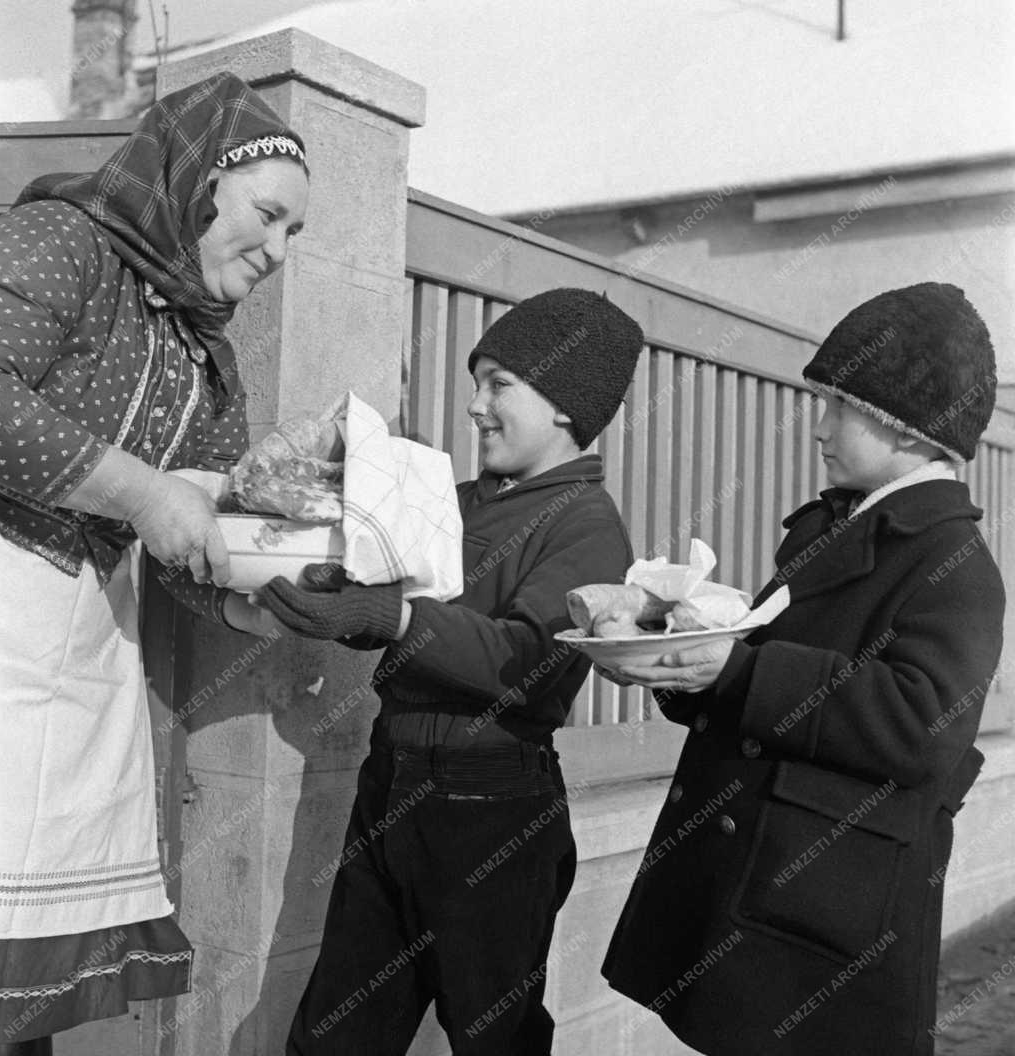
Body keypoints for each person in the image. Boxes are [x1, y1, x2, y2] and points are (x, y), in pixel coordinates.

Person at [601, 282, 1005, 1055]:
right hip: (765, 889)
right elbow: (751, 663)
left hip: (825, 916)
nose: (820, 429)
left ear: (909, 429)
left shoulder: (953, 561)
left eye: (842, 409)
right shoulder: (839, 526)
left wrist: (735, 672)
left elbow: (921, 726)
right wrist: (675, 655)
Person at [0, 73, 307, 1053]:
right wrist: (140, 491)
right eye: (267, 215)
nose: (277, 251)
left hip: (71, 658)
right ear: (196, 180)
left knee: (14, 995)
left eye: (294, 233)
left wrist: (279, 568)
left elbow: (198, 539)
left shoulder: (205, 355)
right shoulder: (61, 242)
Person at [258, 288, 644, 1055]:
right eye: (476, 382)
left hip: (493, 806)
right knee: (336, 1031)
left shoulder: (587, 525)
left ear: (566, 404)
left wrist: (392, 616)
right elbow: (407, 608)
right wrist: (340, 588)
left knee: (492, 1035)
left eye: (500, 384)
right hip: (391, 782)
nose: (475, 406)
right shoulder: (453, 503)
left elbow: (527, 662)